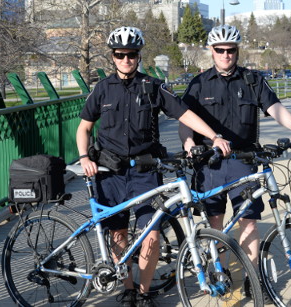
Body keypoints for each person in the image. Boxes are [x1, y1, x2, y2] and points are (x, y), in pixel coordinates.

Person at [76, 26, 230, 307]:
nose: (126, 60)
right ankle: (128, 288)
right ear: (112, 57)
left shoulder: (153, 87)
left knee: (152, 235)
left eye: (131, 55)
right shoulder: (101, 89)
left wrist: (214, 136)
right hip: (110, 172)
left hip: (146, 172)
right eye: (120, 55)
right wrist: (85, 157)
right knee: (118, 233)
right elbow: (84, 128)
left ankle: (145, 292)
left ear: (138, 56)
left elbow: (185, 113)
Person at [178, 24, 291, 302]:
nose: (226, 55)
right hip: (210, 165)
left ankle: (253, 277)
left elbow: (274, 107)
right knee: (216, 224)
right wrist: (188, 144)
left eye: (231, 50)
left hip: (245, 161)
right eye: (220, 50)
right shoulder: (199, 83)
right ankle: (221, 273)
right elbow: (185, 120)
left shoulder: (252, 81)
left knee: (249, 223)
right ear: (211, 51)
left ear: (237, 51)